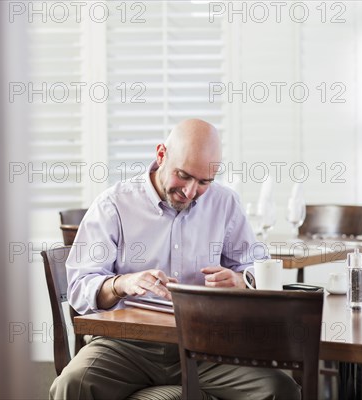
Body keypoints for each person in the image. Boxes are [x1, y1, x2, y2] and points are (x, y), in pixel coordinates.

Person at [50, 119, 300, 400]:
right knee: (71, 385)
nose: (191, 191)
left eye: (204, 181)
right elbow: (80, 288)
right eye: (183, 175)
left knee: (280, 390)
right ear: (161, 155)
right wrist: (122, 283)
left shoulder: (225, 203)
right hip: (127, 345)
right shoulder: (113, 205)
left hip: (206, 345)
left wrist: (242, 280)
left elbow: (258, 266)